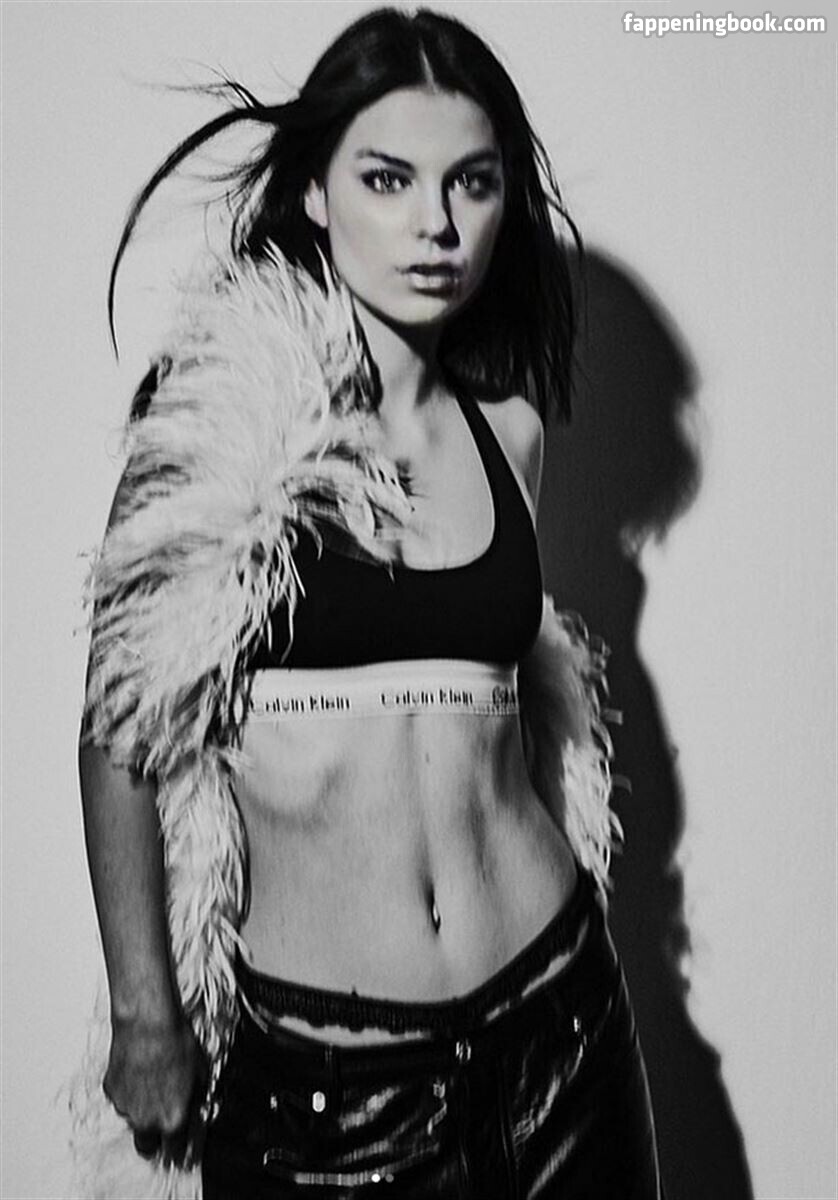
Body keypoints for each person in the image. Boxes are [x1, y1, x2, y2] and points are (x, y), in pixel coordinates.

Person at [76, 7, 662, 1198]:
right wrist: (146, 1016)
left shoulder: (510, 435)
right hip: (326, 1099)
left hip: (561, 1035)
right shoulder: (215, 429)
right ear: (315, 193)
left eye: (471, 183)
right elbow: (117, 739)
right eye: (387, 180)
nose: (435, 224)